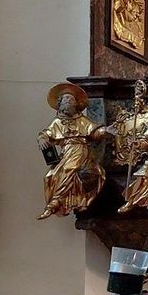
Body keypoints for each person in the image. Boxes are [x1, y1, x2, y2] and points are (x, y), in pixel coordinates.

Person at [37, 83, 113, 219]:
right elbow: (46, 134)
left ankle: (54, 203)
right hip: (66, 152)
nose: (68, 101)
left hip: (81, 150)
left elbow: (94, 133)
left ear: (76, 104)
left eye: (71, 99)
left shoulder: (82, 120)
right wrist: (42, 139)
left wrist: (106, 130)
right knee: (51, 175)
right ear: (60, 105)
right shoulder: (58, 122)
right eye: (65, 99)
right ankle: (67, 201)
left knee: (69, 169)